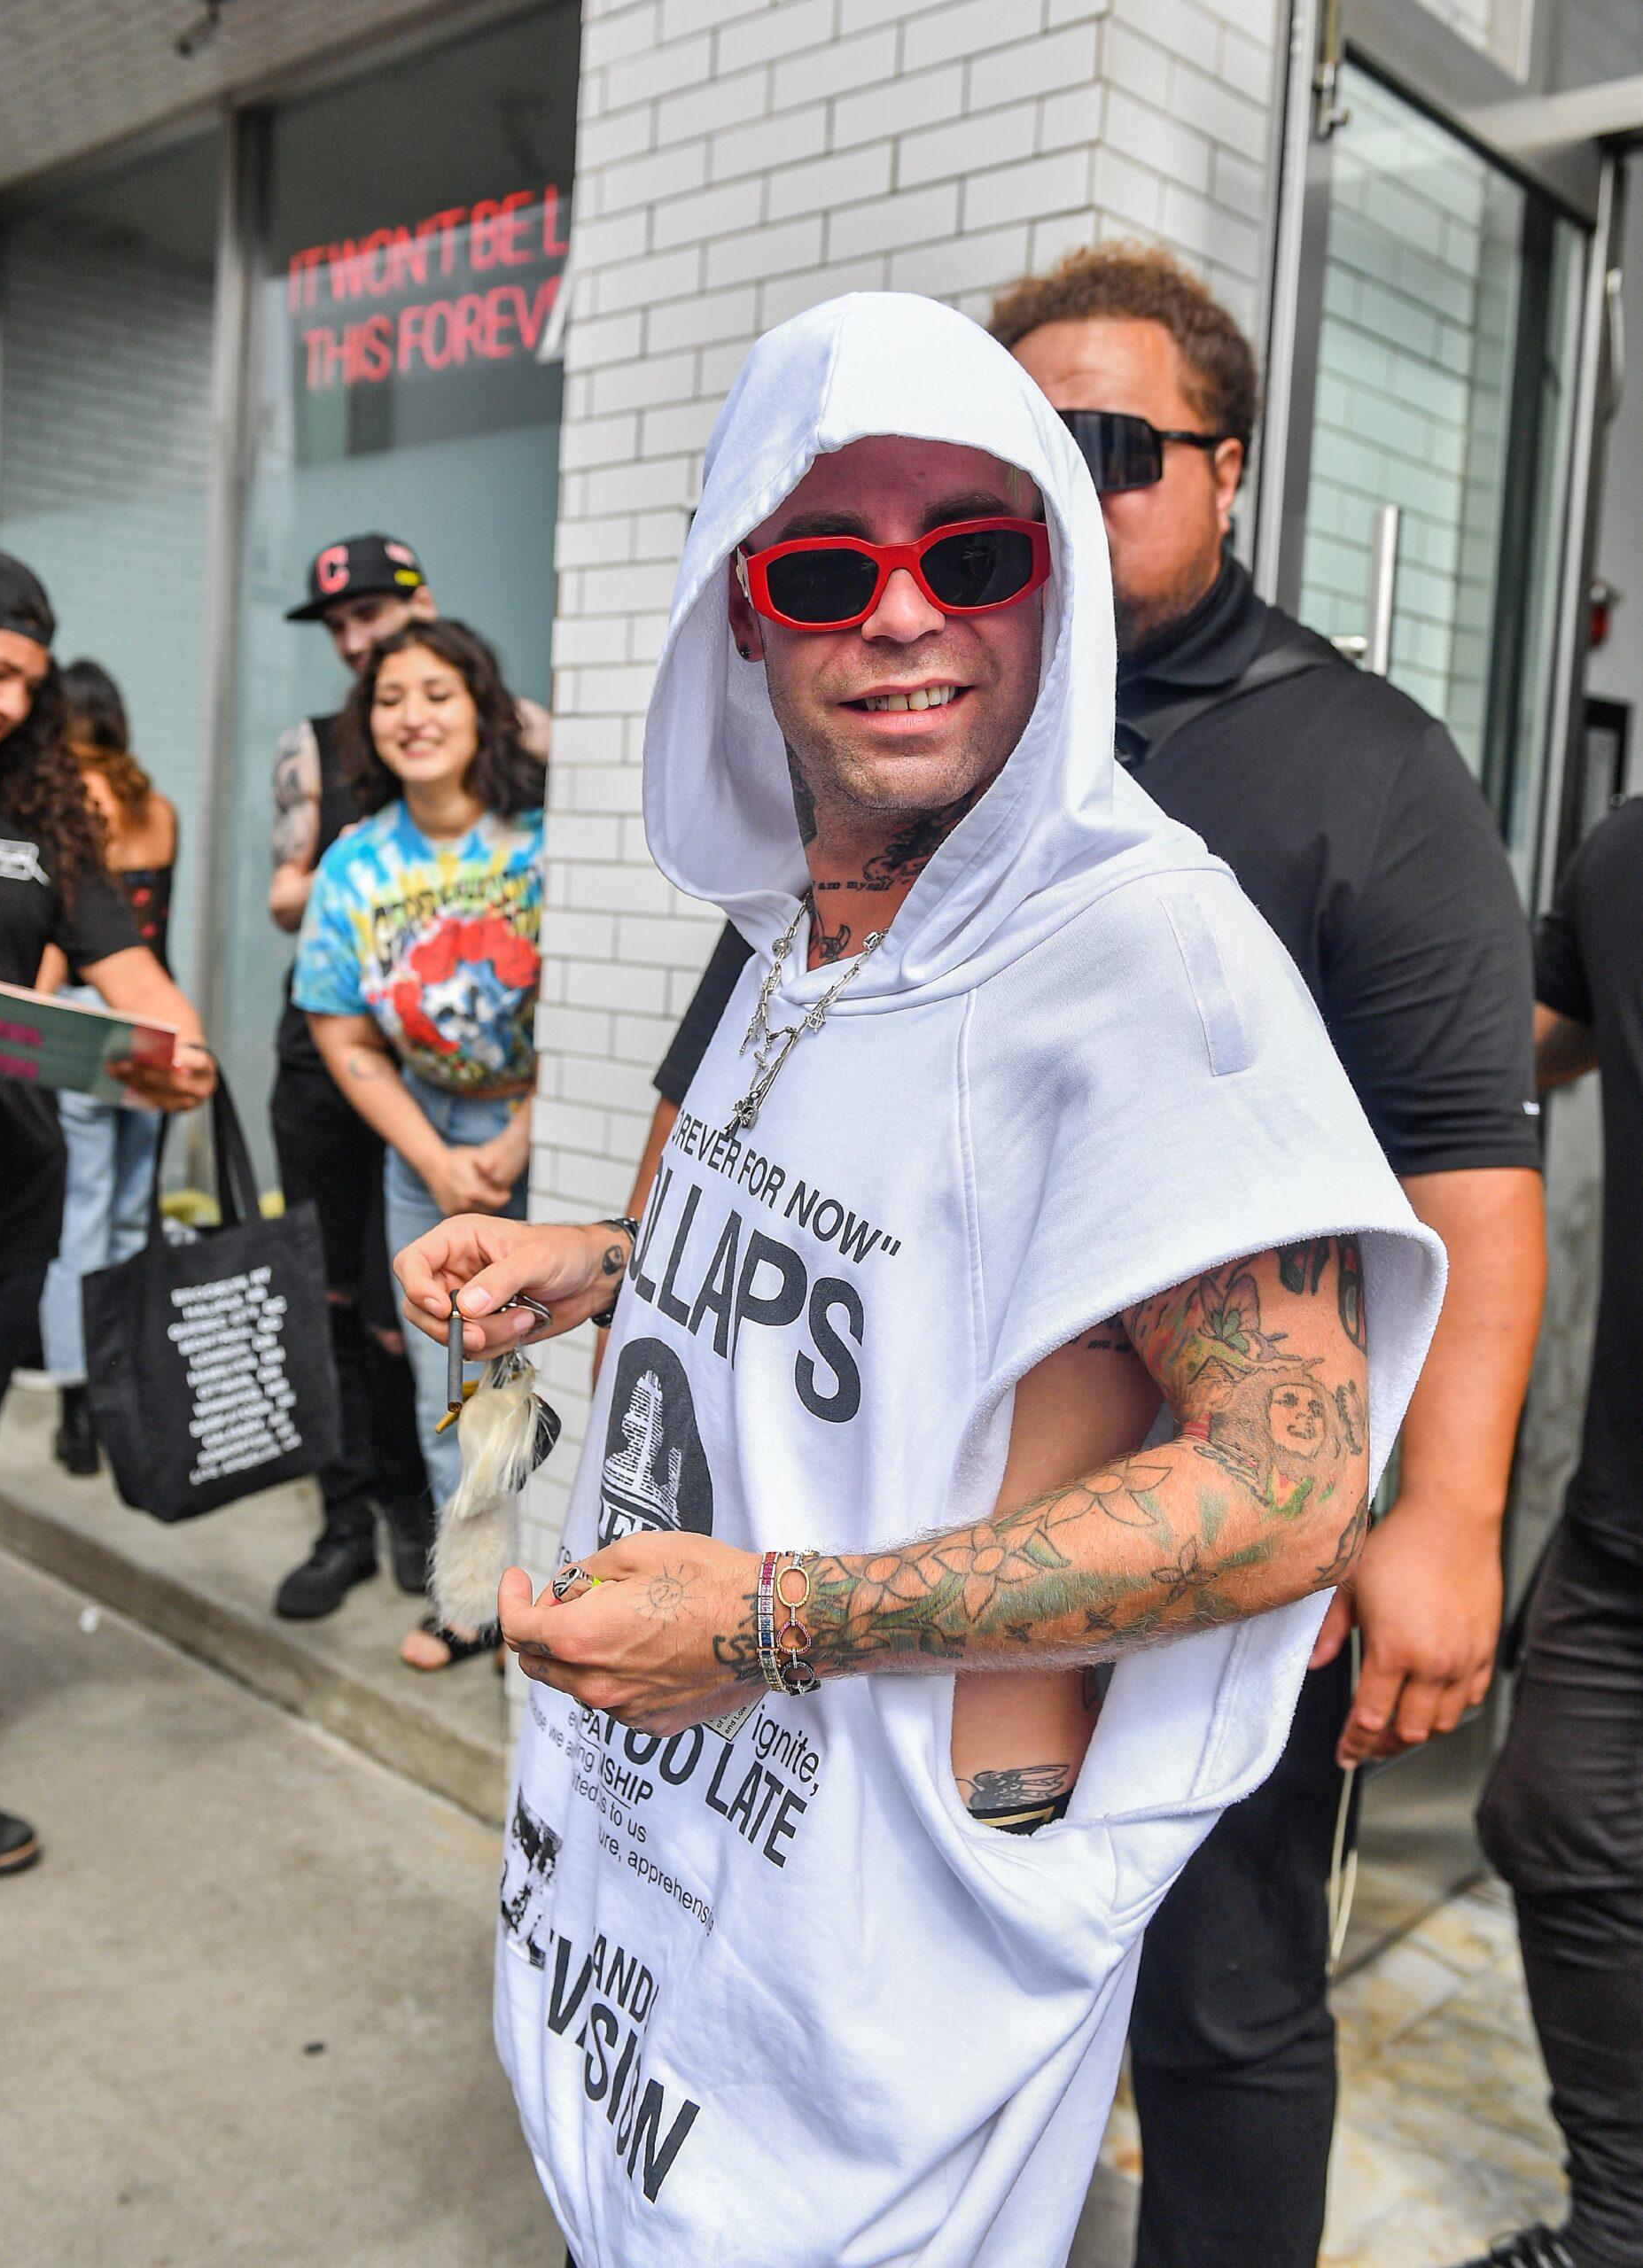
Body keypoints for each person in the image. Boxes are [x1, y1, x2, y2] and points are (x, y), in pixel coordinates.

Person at [391, 292, 1444, 2265]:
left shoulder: (1144, 956)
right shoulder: (810, 927)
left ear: (1054, 591)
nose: (900, 615)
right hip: (679, 1888)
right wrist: (608, 1261)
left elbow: (1290, 1478)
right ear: (742, 613)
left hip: (886, 1945)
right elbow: (907, 1252)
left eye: (974, 553)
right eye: (821, 565)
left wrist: (777, 1619)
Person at [647, 245, 1546, 2268]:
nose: (1043, 490)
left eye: (1099, 450)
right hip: (878, 1562)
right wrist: (626, 1268)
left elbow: (1464, 1173)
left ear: (1225, 469)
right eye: (1008, 445)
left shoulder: (1359, 774)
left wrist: (1443, 1512)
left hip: (1180, 1566)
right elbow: (753, 1079)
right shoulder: (892, 747)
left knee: (1218, 2005)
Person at [0, 539, 214, 1876]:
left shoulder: (37, 812)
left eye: (23, 683)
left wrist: (175, 1051)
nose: (2, 703)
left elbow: (132, 975)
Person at [1457, 799, 1643, 2268]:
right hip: (1624, 1508)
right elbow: (1520, 1027)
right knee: (1550, 1810)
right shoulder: (1627, 852)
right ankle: (1619, 2220)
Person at [294, 618, 545, 1672]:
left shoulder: (545, 837)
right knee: (453, 1379)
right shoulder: (355, 862)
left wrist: (523, 1135)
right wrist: (437, 1160)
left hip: (542, 1123)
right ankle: (473, 1600)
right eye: (392, 698)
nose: (414, 716)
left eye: (438, 692)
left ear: (482, 704)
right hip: (421, 1138)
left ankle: (551, 1598)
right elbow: (341, 1028)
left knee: (544, 1377)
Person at [267, 532, 440, 1619]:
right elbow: (284, 897)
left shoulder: (476, 723)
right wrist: (353, 864)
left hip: (434, 1059)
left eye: (369, 615)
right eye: (337, 626)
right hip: (323, 1055)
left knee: (410, 1301)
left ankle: (419, 1511)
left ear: (421, 608)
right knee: (327, 1291)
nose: (352, 640)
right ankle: (344, 1518)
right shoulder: (316, 747)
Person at [37, 659, 178, 1477]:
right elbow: (152, 937)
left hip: (87, 1020)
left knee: (80, 1218)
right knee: (130, 1213)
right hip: (154, 1019)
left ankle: (77, 1406)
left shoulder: (68, 806)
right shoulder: (156, 808)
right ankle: (123, 1382)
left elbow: (68, 933)